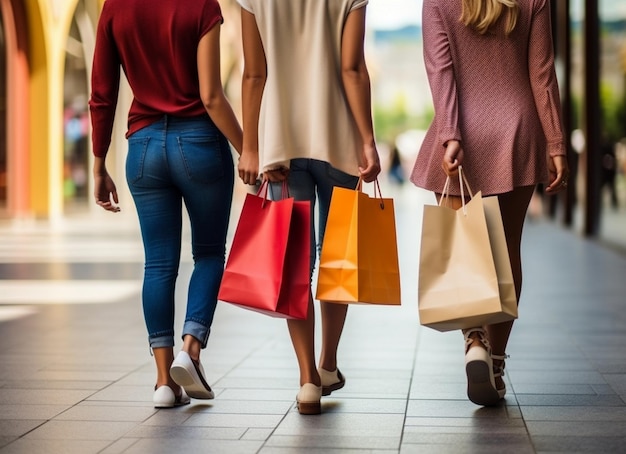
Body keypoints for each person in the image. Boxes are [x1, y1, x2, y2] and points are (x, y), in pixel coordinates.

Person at [410, 0, 569, 406]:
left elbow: (440, 72)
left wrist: (450, 134)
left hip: (463, 132)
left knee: (463, 249)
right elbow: (542, 73)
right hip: (517, 130)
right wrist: (556, 142)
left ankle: (474, 339)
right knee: (507, 250)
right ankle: (496, 363)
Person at [89, 0, 243, 408]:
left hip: (142, 150)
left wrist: (98, 162)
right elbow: (211, 96)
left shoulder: (115, 7)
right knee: (209, 254)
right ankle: (189, 352)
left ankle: (163, 382)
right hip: (200, 144)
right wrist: (249, 149)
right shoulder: (202, 5)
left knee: (158, 264)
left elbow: (102, 93)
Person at [237, 0, 381, 414]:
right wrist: (368, 140)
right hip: (339, 141)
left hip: (281, 142)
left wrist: (251, 146)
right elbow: (352, 70)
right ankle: (329, 362)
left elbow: (254, 74)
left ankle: (307, 381)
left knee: (294, 261)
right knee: (337, 258)